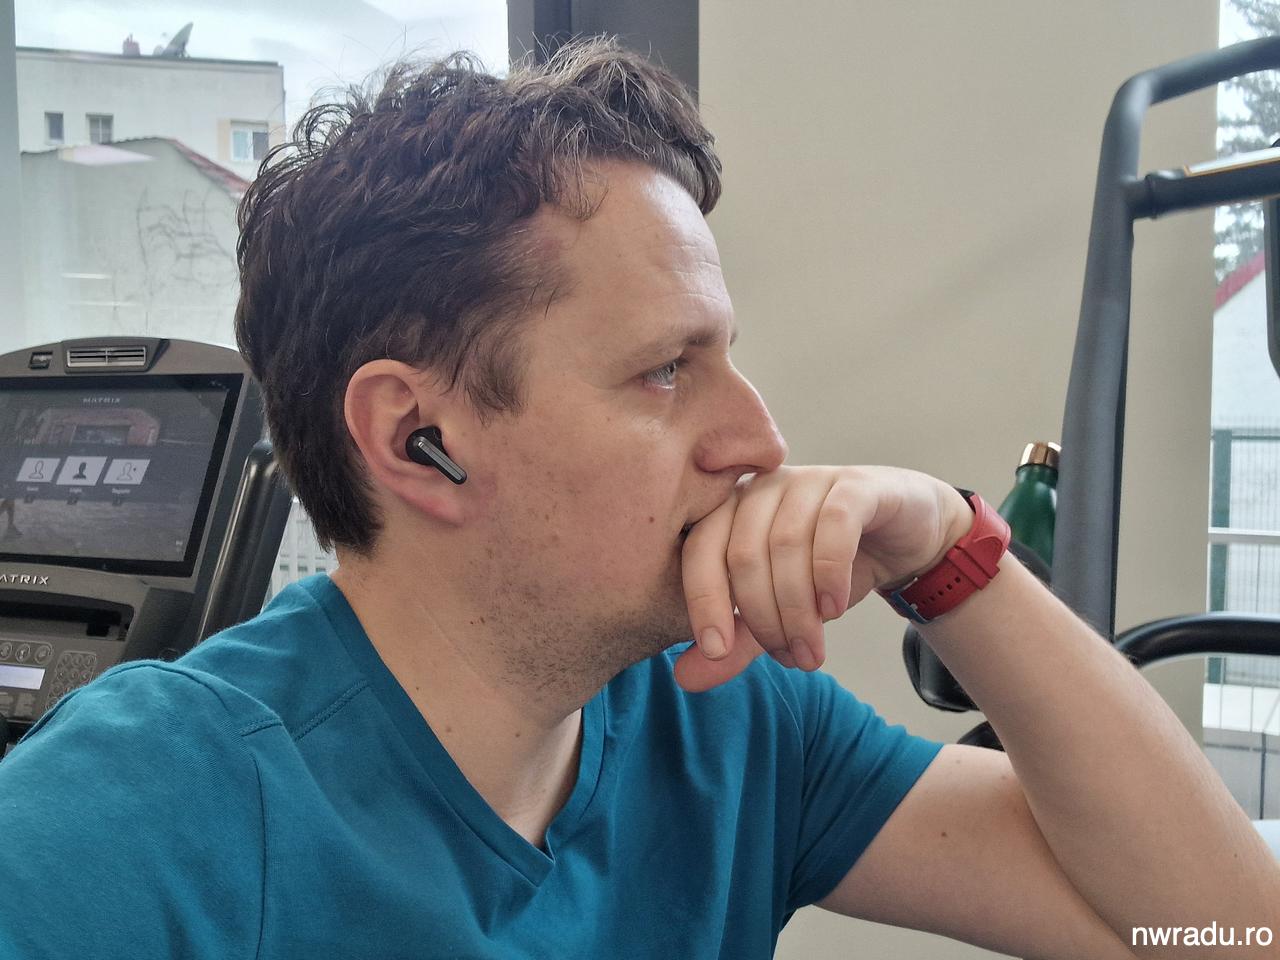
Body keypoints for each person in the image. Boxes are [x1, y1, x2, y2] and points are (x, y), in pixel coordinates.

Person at [1, 37, 1277, 960]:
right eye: (665, 371)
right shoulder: (135, 815)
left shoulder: (727, 722)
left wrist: (946, 549)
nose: (759, 439)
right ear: (419, 439)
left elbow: (1221, 931)